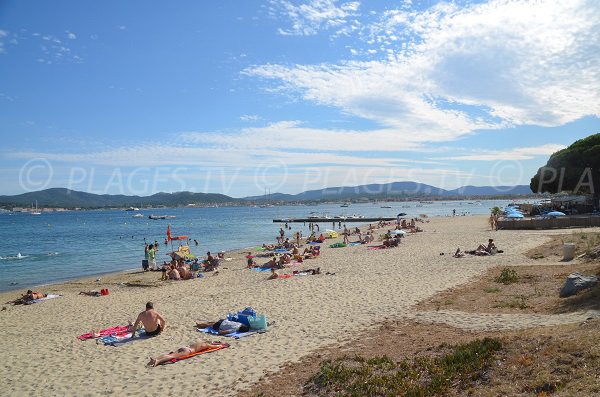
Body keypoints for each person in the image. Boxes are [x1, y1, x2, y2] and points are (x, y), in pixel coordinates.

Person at [147, 340, 215, 367]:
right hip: (188, 351)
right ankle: (158, 361)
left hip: (184, 347)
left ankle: (156, 358)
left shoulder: (199, 342)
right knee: (172, 357)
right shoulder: (206, 345)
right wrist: (221, 345)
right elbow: (215, 346)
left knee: (170, 355)